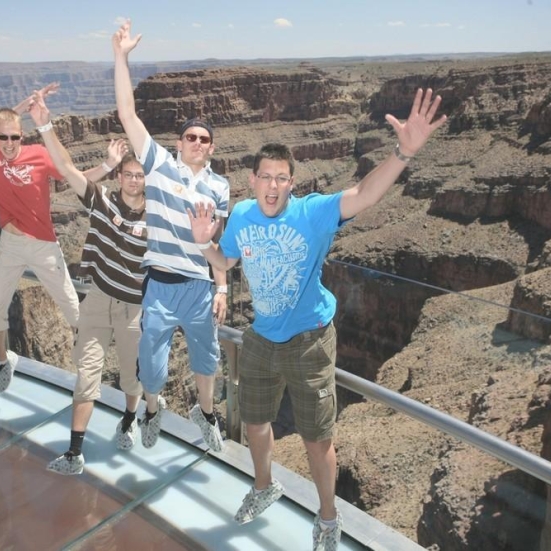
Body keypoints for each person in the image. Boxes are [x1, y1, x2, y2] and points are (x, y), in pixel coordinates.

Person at [188, 90, 447, 550]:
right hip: (261, 340)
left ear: (292, 182)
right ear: (251, 180)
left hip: (309, 342)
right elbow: (223, 265)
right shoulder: (244, 215)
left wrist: (404, 151)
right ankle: (264, 485)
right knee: (254, 423)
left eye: (281, 179)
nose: (272, 186)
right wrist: (205, 242)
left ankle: (328, 518)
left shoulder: (313, 212)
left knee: (316, 437)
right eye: (264, 177)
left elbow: (364, 194)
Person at [0, 21, 121, 393]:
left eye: (15, 136)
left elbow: (74, 175)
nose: (9, 143)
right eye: (2, 136)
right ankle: (4, 362)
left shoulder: (37, 154)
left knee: (75, 311)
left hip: (45, 245)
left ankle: (91, 371)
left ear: (23, 134)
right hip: (9, 245)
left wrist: (109, 166)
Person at [112, 20, 229, 453]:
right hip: (160, 284)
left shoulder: (221, 188)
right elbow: (128, 114)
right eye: (190, 136)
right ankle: (152, 408)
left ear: (212, 147)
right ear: (178, 142)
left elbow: (219, 245)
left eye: (204, 139)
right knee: (152, 367)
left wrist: (221, 287)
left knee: (207, 359)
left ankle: (207, 413)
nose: (197, 142)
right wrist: (121, 58)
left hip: (200, 287)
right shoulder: (159, 165)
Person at [21, 88, 147, 474]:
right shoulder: (103, 202)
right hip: (97, 302)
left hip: (132, 310)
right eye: (127, 174)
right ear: (120, 175)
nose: (133, 181)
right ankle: (75, 452)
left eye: (140, 175)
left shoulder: (159, 218)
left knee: (130, 377)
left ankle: (128, 420)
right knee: (87, 374)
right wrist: (44, 124)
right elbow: (67, 168)